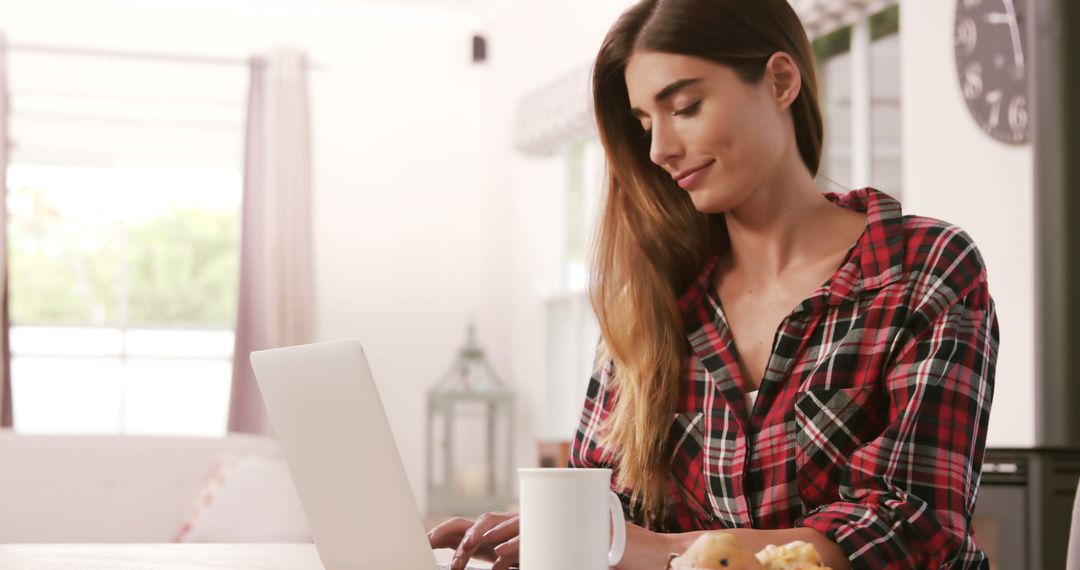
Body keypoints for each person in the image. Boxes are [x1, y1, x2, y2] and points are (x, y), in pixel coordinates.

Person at [428, 0, 999, 568]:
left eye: (686, 106)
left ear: (780, 81)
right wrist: (549, 536)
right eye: (646, 123)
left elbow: (911, 527)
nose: (659, 150)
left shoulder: (923, 270)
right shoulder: (657, 301)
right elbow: (598, 512)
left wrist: (646, 548)